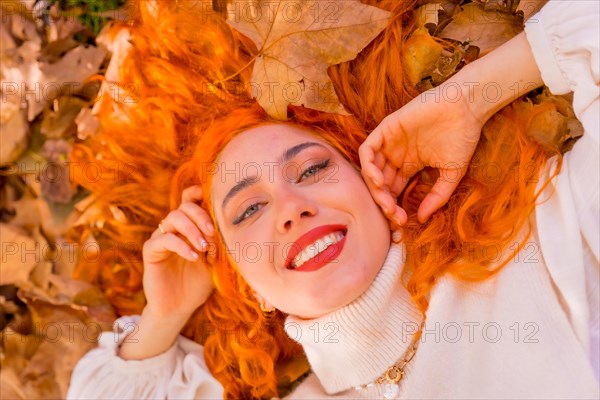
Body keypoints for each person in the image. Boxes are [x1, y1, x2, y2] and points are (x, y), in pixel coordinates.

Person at [66, 0, 599, 398]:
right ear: (245, 286)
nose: (291, 208)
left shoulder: (543, 244)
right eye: (249, 209)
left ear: (379, 187)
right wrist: (165, 316)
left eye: (313, 169)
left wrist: (467, 100)